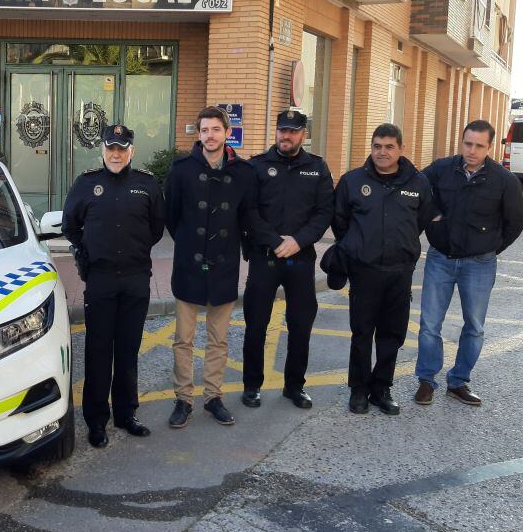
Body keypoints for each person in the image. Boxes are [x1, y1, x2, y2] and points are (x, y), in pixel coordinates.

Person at [63, 124, 165, 448]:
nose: (116, 154)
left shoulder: (147, 184)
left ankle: (126, 413)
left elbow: (156, 229)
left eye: (122, 148)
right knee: (98, 351)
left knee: (127, 350)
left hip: (135, 279)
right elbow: (70, 226)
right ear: (102, 150)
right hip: (101, 279)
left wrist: (134, 250)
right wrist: (89, 251)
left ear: (132, 151)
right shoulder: (86, 184)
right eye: (111, 148)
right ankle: (96, 420)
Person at [415, 119, 523, 407]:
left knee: (474, 326)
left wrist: (488, 248)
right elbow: (415, 187)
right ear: (461, 141)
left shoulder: (504, 180)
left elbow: (515, 222)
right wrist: (433, 216)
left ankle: (459, 381)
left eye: (479, 145)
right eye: (467, 143)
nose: (471, 150)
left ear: (489, 147)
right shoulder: (441, 169)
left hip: (479, 264)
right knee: (429, 323)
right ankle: (426, 380)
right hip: (440, 259)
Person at [333, 124, 435, 415]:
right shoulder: (353, 181)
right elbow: (340, 221)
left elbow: (423, 219)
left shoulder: (418, 183)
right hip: (364, 270)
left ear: (401, 149)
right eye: (377, 146)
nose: (382, 152)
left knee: (392, 334)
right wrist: (356, 246)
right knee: (362, 332)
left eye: (389, 146)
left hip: (399, 271)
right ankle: (359, 389)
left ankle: (381, 388)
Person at [164, 106, 252, 428]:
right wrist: (190, 244)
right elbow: (171, 217)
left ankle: (213, 396)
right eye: (205, 130)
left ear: (227, 132)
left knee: (219, 339)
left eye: (216, 129)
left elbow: (246, 216)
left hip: (225, 264)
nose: (210, 135)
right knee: (183, 339)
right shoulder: (181, 170)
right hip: (189, 264)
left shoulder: (243, 172)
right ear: (198, 134)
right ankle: (183, 399)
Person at [241, 109, 334, 409]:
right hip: (264, 257)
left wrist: (298, 241)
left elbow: (324, 213)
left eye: (293, 131)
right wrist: (276, 241)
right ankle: (251, 385)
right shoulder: (256, 166)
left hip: (300, 259)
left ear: (303, 135)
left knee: (300, 323)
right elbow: (249, 212)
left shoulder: (317, 168)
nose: (286, 135)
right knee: (256, 323)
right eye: (282, 129)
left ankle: (295, 386)